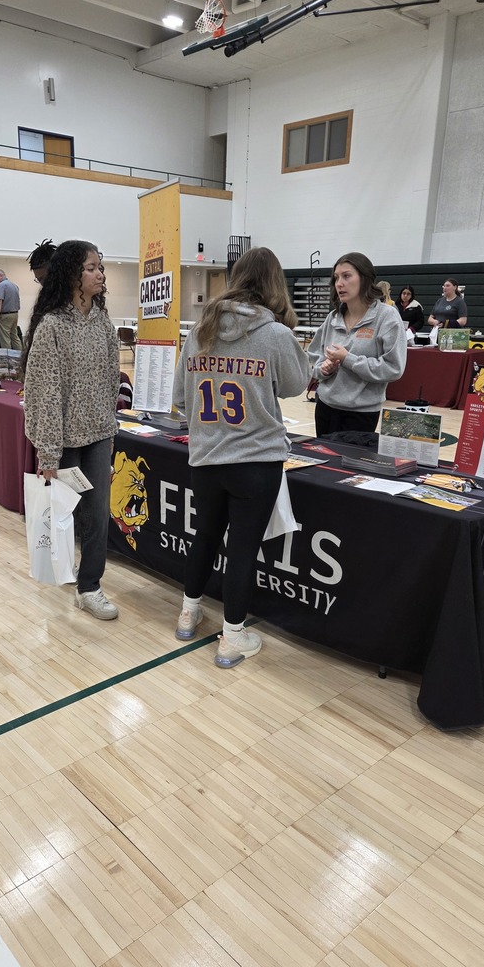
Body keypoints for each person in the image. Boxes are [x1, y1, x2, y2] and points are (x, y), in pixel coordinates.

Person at [172, 246, 310, 668]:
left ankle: (188, 612)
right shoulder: (276, 335)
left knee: (205, 537)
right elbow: (294, 385)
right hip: (255, 461)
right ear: (274, 284)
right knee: (243, 548)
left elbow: (180, 398)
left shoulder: (200, 331)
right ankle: (232, 636)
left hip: (207, 458)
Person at [22, 239, 120, 621]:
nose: (100, 274)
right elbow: (44, 393)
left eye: (101, 267)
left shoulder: (103, 322)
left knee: (97, 516)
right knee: (66, 517)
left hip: (97, 436)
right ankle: (66, 571)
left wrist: (110, 431)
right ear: (73, 275)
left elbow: (112, 380)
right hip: (63, 443)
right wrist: (48, 453)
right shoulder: (52, 326)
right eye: (93, 267)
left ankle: (90, 586)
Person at [308, 252, 407, 436]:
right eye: (336, 278)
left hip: (361, 414)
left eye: (346, 276)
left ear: (364, 278)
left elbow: (394, 368)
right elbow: (313, 358)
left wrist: (348, 359)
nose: (339, 283)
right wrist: (323, 369)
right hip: (325, 408)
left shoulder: (386, 317)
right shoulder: (333, 318)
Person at [0, 268, 22, 349]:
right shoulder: (14, 285)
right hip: (14, 314)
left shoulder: (1, 285)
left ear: (1, 275)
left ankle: (6, 359)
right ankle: (20, 357)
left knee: (5, 339)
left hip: (5, 316)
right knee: (14, 336)